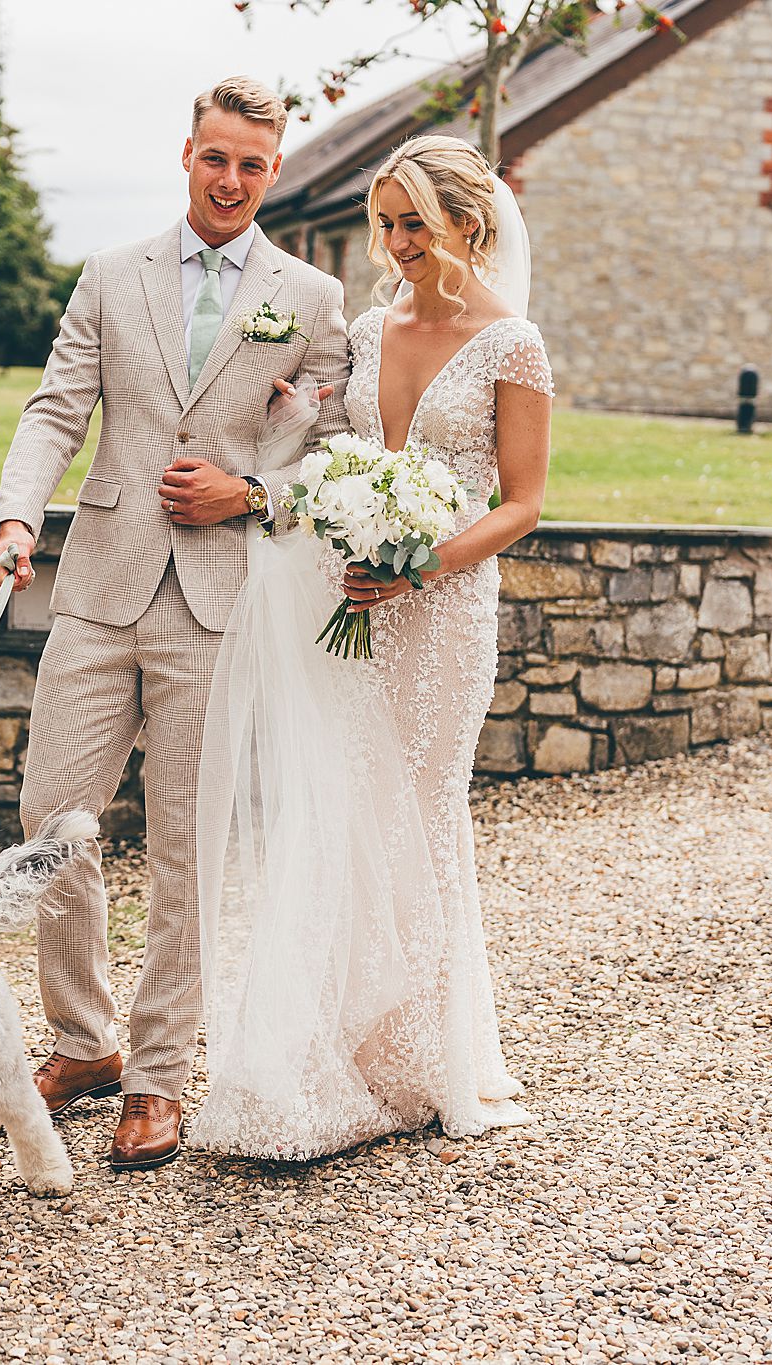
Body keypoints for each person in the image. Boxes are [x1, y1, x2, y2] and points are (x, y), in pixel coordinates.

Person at [0, 76, 350, 1170]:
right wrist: (16, 514)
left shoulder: (313, 299)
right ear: (184, 155)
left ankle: (156, 1075)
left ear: (272, 172)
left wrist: (248, 495)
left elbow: (335, 461)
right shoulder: (109, 275)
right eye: (213, 158)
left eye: (250, 164)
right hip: (95, 584)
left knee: (186, 846)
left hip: (217, 601)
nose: (229, 179)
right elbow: (55, 409)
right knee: (53, 825)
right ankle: (82, 1041)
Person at [192, 133, 552, 1160]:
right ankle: (332, 1048)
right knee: (341, 807)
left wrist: (419, 565)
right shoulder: (365, 323)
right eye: (382, 224)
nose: (392, 245)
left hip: (439, 615)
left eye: (412, 225)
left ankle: (425, 1055)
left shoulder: (509, 342)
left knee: (419, 814)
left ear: (466, 227)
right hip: (347, 595)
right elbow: (345, 451)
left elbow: (523, 502)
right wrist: (300, 431)